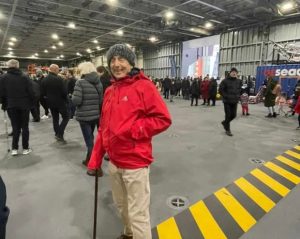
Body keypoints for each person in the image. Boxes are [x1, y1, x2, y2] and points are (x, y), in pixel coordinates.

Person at [87, 44, 172, 239]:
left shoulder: (144, 86)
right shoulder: (110, 91)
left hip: (135, 163)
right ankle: (128, 232)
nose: (116, 64)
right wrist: (95, 158)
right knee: (121, 205)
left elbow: (163, 119)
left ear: (130, 62)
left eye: (121, 59)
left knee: (138, 214)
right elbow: (103, 129)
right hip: (114, 163)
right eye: (112, 60)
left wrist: (133, 130)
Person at [0, 59, 35, 155]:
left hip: (11, 105)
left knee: (15, 127)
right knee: (25, 127)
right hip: (24, 105)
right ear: (18, 66)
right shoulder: (25, 77)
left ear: (8, 66)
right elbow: (31, 92)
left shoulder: (3, 78)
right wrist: (32, 103)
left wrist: (3, 104)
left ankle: (14, 149)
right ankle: (25, 148)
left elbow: (1, 93)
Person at [72, 62, 103, 166]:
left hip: (84, 117)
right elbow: (100, 100)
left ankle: (91, 161)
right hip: (96, 115)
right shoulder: (98, 82)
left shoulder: (80, 82)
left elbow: (77, 101)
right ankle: (92, 158)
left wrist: (72, 96)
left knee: (89, 141)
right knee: (92, 138)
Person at [41, 64, 69, 143]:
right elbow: (64, 92)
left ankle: (57, 134)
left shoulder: (44, 80)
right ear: (55, 70)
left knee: (55, 119)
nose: (58, 71)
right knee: (66, 117)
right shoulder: (59, 79)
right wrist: (66, 100)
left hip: (50, 103)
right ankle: (60, 134)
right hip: (60, 102)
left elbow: (42, 93)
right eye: (58, 70)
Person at [219, 67, 242, 136]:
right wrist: (226, 96)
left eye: (235, 72)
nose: (234, 73)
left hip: (235, 101)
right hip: (227, 101)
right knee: (228, 116)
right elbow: (220, 90)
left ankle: (224, 123)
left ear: (237, 73)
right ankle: (228, 130)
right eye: (233, 72)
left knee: (234, 115)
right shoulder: (225, 81)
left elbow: (239, 90)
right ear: (230, 73)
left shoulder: (239, 81)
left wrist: (238, 96)